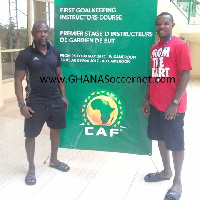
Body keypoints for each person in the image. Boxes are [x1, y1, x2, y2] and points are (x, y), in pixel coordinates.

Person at [142, 12, 191, 200]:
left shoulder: (180, 45)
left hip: (173, 106)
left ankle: (177, 181)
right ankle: (166, 171)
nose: (162, 26)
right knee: (160, 138)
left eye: (166, 23)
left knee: (176, 143)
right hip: (156, 103)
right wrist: (147, 98)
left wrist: (175, 103)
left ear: (172, 25)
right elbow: (153, 74)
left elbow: (185, 75)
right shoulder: (154, 48)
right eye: (159, 24)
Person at [14, 21, 70, 185]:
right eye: (39, 32)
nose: (43, 34)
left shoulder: (55, 52)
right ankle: (31, 168)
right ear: (33, 33)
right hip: (35, 101)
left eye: (45, 31)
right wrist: (21, 104)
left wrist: (63, 96)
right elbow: (18, 79)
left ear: (49, 33)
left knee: (56, 130)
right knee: (30, 135)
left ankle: (54, 160)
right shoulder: (25, 54)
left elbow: (59, 75)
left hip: (54, 99)